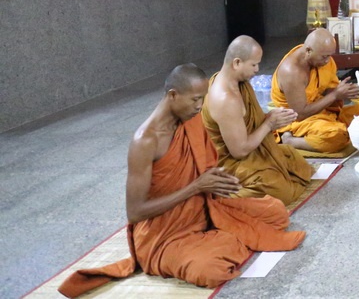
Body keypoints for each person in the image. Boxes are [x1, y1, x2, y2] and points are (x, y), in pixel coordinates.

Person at [58, 65, 304, 297]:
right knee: (210, 269)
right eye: (195, 99)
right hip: (164, 233)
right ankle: (220, 241)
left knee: (275, 212)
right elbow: (135, 212)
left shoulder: (190, 120)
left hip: (202, 210)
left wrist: (219, 180)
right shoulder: (145, 141)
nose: (200, 107)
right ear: (173, 95)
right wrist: (196, 187)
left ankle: (222, 238)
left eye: (203, 99)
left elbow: (204, 165)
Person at [202, 36, 313, 205]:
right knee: (279, 189)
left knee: (295, 161)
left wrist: (272, 117)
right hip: (231, 163)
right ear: (237, 63)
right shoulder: (225, 99)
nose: (257, 69)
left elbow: (249, 121)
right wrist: (269, 124)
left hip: (251, 152)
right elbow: (239, 151)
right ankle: (221, 200)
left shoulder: (239, 83)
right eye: (253, 65)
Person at [270, 28, 359, 153]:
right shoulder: (292, 72)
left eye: (330, 56)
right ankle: (290, 140)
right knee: (337, 136)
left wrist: (345, 91)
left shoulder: (322, 59)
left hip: (323, 112)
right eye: (324, 57)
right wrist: (335, 94)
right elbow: (300, 114)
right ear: (308, 50)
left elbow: (324, 90)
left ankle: (331, 127)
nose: (328, 61)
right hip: (297, 120)